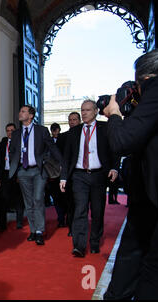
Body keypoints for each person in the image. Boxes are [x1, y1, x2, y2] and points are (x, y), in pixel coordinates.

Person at [103, 48, 158, 300]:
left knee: (155, 266)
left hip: (155, 196)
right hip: (147, 200)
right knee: (136, 251)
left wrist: (115, 114)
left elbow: (123, 140)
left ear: (145, 78)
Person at [60, 100, 119, 258]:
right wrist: (63, 177)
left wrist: (114, 167)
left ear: (95, 111)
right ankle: (78, 246)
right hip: (79, 175)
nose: (84, 113)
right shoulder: (74, 132)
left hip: (99, 175)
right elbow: (67, 157)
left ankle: (94, 242)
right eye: (82, 110)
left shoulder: (104, 129)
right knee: (80, 209)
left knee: (98, 211)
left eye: (87, 110)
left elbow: (114, 149)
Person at [8, 106, 62, 246]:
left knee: (38, 199)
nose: (20, 113)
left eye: (23, 111)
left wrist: (61, 163)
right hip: (23, 171)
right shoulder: (16, 133)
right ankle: (33, 230)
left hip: (39, 170)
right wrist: (16, 166)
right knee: (29, 202)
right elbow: (13, 151)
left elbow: (52, 148)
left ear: (31, 115)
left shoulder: (41, 130)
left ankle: (39, 231)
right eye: (20, 111)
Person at [0, 123, 25, 230]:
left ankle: (19, 222)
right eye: (8, 130)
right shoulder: (3, 143)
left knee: (18, 199)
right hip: (5, 174)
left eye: (12, 130)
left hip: (17, 173)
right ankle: (1, 224)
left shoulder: (21, 142)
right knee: (2, 199)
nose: (10, 132)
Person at [56, 112, 82, 236]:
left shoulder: (85, 134)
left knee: (81, 203)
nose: (72, 122)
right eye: (70, 119)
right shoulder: (62, 137)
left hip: (82, 173)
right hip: (69, 175)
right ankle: (71, 227)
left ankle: (79, 225)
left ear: (80, 120)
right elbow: (58, 154)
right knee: (70, 202)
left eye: (75, 119)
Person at [47, 122, 66, 228]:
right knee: (56, 198)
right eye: (53, 130)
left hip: (63, 173)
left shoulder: (64, 139)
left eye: (56, 130)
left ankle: (65, 216)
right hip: (52, 175)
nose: (55, 132)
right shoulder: (48, 142)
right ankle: (61, 218)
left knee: (64, 197)